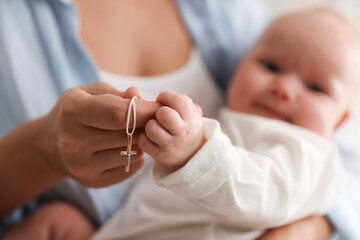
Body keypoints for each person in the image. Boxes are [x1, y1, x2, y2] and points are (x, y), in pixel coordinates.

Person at [0, 0, 358, 239]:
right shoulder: (232, 121)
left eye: (316, 88)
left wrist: (196, 151)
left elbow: (264, 190)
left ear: (340, 121)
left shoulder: (309, 153)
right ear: (239, 66)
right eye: (270, 66)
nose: (283, 87)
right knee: (60, 219)